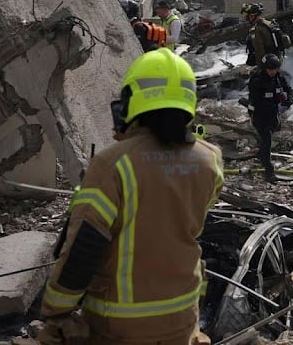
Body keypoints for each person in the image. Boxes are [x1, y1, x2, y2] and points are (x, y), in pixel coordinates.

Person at [40, 48, 223, 345]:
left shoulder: (114, 163)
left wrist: (56, 311)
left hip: (119, 325)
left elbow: (83, 248)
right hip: (183, 316)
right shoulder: (210, 160)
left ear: (131, 101)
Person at [247, 53, 293, 183]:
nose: (273, 72)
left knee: (271, 132)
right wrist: (275, 107)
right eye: (270, 69)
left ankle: (261, 154)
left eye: (275, 69)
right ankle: (269, 170)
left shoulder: (279, 77)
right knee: (267, 137)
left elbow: (288, 90)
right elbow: (257, 100)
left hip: (273, 114)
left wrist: (288, 101)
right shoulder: (257, 80)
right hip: (260, 114)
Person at [242, 2, 278, 68]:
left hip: (268, 63)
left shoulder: (255, 30)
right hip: (275, 57)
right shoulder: (268, 23)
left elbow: (259, 51)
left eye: (247, 17)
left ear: (252, 16)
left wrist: (261, 68)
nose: (246, 20)